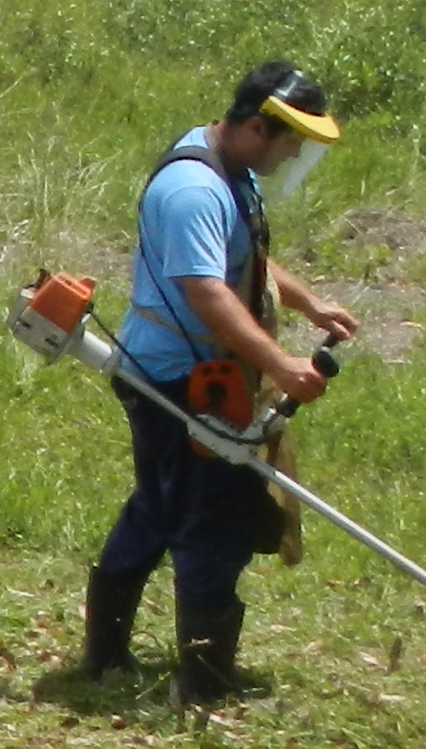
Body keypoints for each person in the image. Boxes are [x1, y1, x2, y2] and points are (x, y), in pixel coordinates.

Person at [82, 59, 357, 707]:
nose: (292, 155)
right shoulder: (192, 191)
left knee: (158, 507)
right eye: (289, 141)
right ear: (258, 126)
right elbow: (207, 293)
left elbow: (244, 259)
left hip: (192, 372)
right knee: (213, 522)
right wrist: (284, 365)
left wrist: (309, 304)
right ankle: (204, 684)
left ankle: (105, 656)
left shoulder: (231, 170)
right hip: (176, 381)